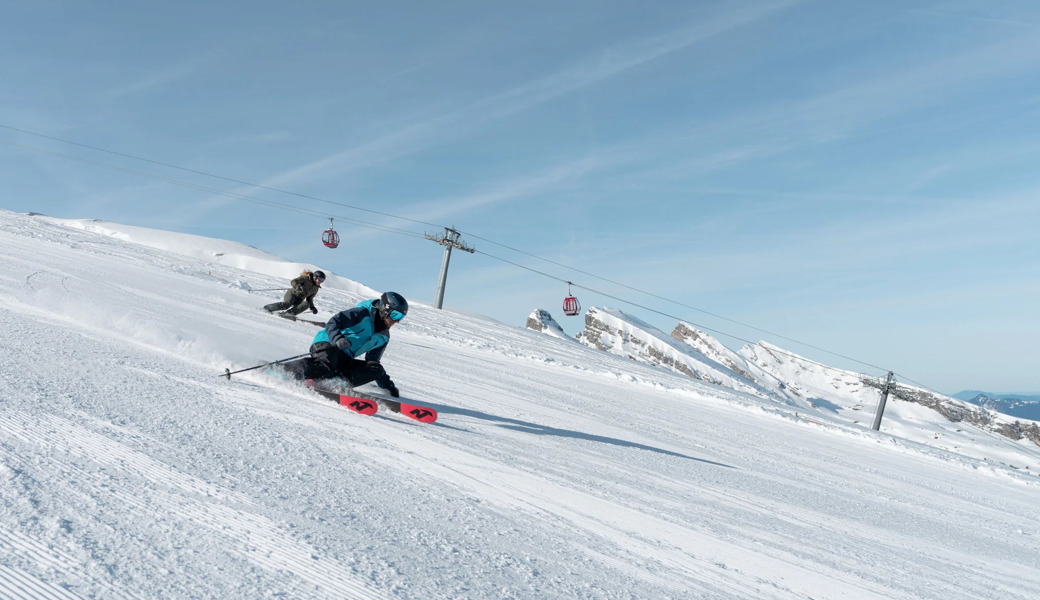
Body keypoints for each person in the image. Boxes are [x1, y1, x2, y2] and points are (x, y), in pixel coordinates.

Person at [283, 291, 407, 397]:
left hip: (345, 357)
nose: (396, 320)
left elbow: (373, 361)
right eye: (395, 315)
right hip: (328, 344)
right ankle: (284, 370)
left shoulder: (383, 337)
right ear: (386, 309)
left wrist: (389, 387)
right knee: (327, 366)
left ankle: (338, 382)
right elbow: (333, 322)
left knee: (376, 369)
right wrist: (337, 338)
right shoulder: (362, 313)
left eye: (401, 317)